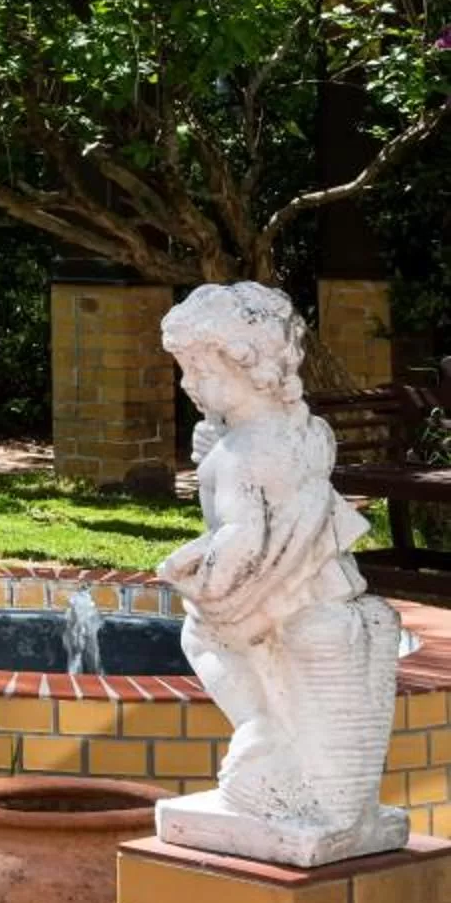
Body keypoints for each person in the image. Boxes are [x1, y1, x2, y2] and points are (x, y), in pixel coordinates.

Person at [157, 282, 401, 849]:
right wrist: (220, 435)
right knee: (266, 661)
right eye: (186, 372)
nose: (189, 385)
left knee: (204, 637)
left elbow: (244, 533)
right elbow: (297, 490)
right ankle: (277, 741)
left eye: (200, 371)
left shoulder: (241, 455)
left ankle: (261, 728)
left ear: (252, 369)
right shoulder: (306, 430)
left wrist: (202, 573)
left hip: (268, 589)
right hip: (319, 582)